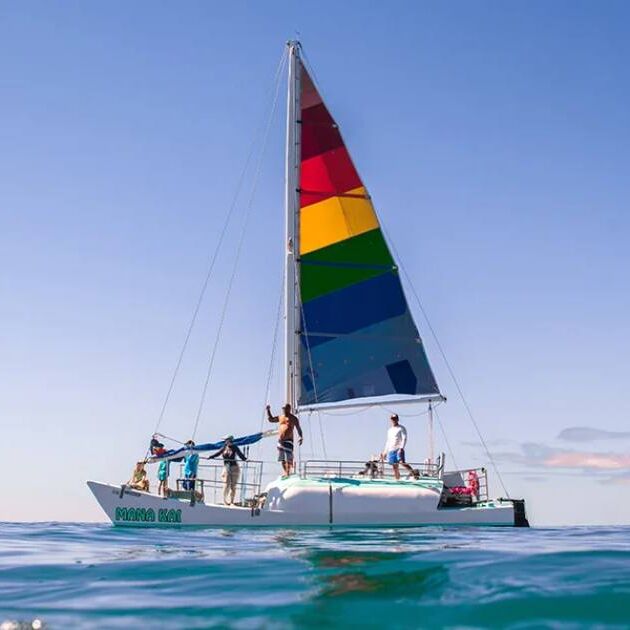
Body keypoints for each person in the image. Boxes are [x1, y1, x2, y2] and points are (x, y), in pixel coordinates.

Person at [207, 435, 247, 505]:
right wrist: (211, 456)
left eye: (226, 440)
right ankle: (225, 500)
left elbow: (240, 455)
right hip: (226, 467)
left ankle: (231, 501)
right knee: (226, 484)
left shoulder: (234, 447)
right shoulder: (224, 447)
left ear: (229, 440)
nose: (225, 441)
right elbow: (218, 453)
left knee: (233, 485)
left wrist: (245, 459)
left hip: (234, 467)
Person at [266, 403, 303, 476]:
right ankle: (286, 472)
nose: (284, 410)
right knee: (282, 458)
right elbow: (271, 419)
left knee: (288, 457)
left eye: (285, 408)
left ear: (289, 409)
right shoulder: (280, 417)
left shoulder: (293, 418)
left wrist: (300, 437)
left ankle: (288, 471)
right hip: (281, 441)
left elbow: (298, 428)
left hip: (289, 440)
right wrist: (268, 411)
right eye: (283, 409)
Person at [382, 414, 415, 480]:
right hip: (391, 449)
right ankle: (397, 479)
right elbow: (388, 441)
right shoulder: (389, 430)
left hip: (398, 449)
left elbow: (404, 438)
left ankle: (414, 474)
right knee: (394, 466)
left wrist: (401, 448)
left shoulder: (401, 428)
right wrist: (385, 451)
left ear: (397, 419)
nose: (394, 420)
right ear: (391, 420)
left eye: (395, 419)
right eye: (392, 419)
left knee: (401, 462)